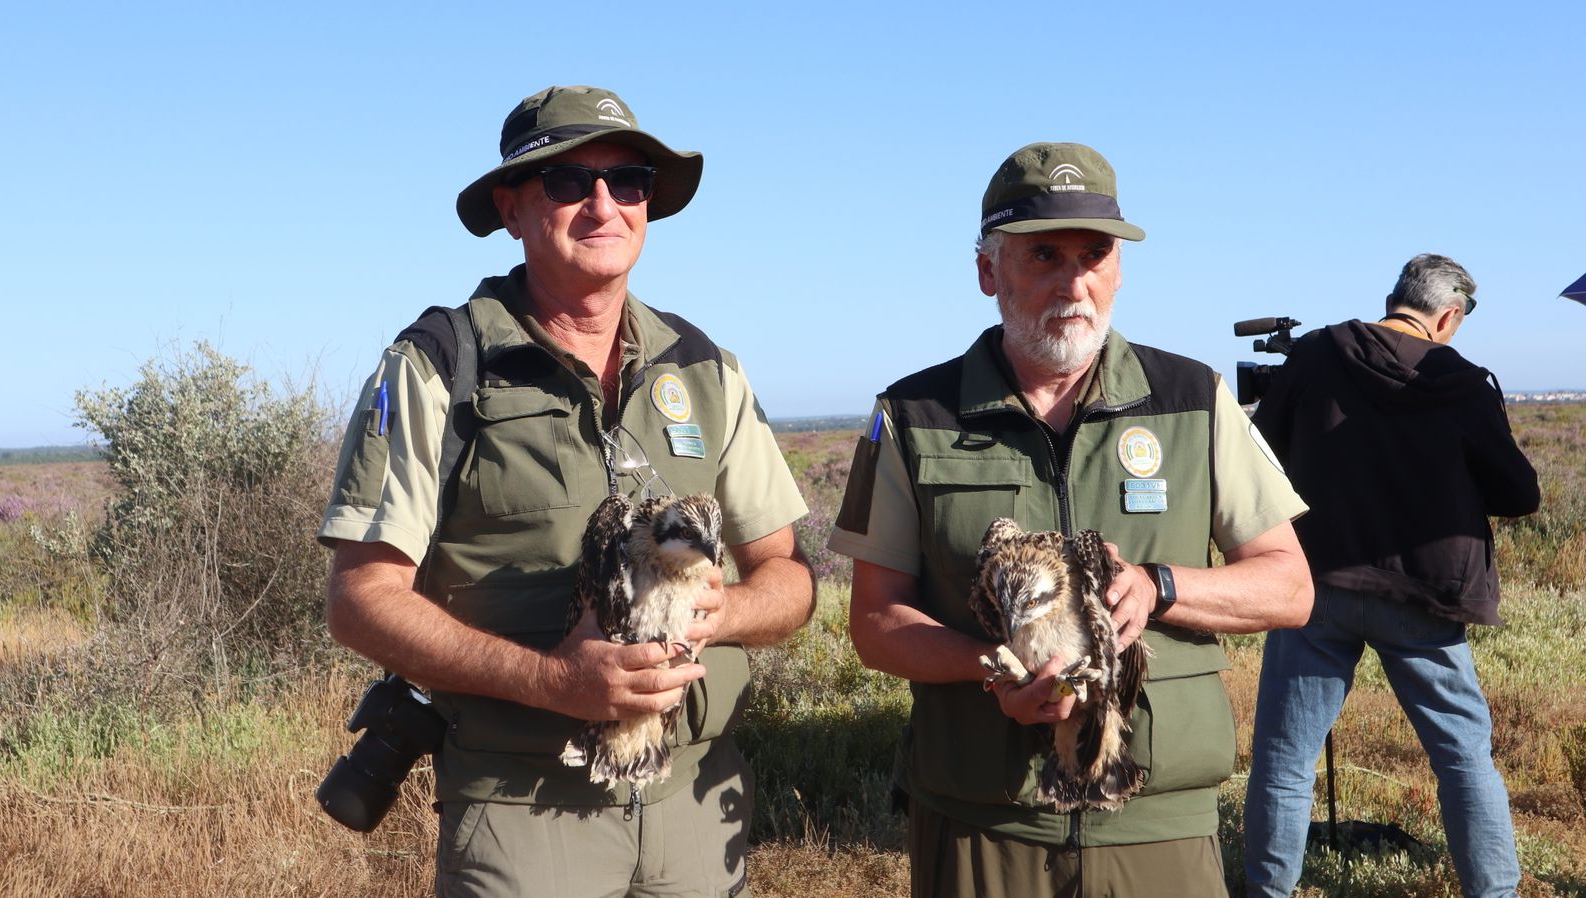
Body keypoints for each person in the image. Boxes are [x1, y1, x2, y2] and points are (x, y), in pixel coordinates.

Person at [318, 85, 814, 898]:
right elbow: (360, 598)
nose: (603, 203)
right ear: (510, 207)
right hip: (524, 811)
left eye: (628, 180)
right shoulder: (442, 362)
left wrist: (724, 613)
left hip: (696, 799)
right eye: (567, 181)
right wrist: (557, 682)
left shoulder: (704, 367)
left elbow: (790, 576)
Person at [827, 142, 1313, 897]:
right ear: (989, 272)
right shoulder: (911, 417)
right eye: (1043, 255)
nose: (1074, 282)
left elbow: (1290, 587)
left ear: (1119, 268)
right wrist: (993, 667)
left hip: (1158, 823)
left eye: (1094, 254)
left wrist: (1160, 586)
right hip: (984, 826)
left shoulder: (1193, 399)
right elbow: (874, 620)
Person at [1243, 254, 1539, 898]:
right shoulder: (1458, 381)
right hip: (1424, 595)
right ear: (1449, 316)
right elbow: (1519, 493)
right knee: (1463, 761)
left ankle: (1269, 891)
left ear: (1394, 298)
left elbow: (1257, 455)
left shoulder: (1318, 355)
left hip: (1318, 584)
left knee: (1285, 761)